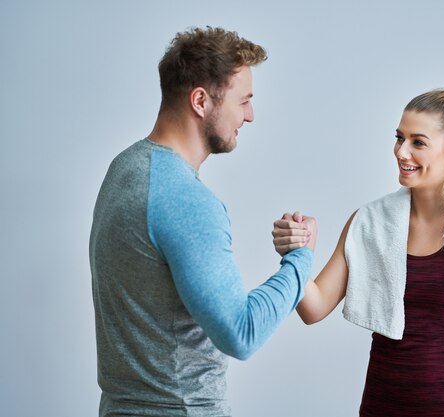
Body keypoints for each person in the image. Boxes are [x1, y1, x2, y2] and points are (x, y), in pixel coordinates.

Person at [89, 27, 316, 417]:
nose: (250, 114)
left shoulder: (124, 168)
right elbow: (241, 333)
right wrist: (300, 259)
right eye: (243, 100)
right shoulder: (185, 199)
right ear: (200, 100)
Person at [279, 86, 444, 416]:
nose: (401, 152)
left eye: (418, 142)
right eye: (399, 137)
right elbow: (313, 308)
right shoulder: (368, 222)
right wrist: (297, 254)